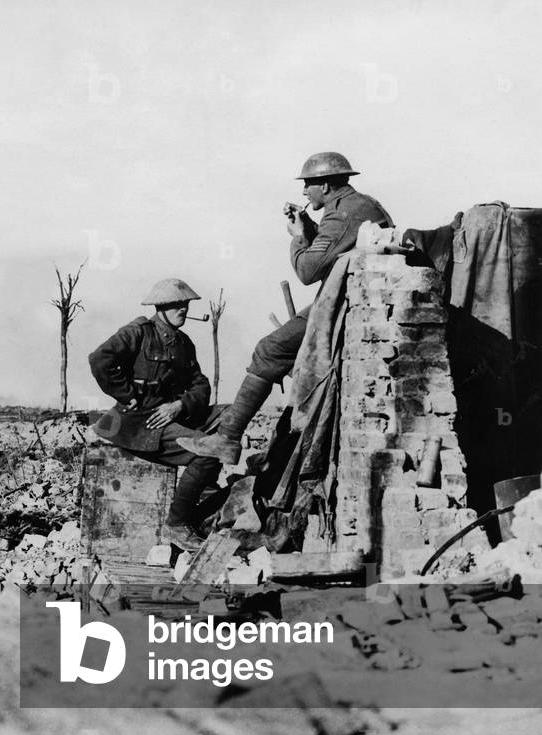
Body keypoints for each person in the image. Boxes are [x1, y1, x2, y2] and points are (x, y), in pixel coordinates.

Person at [178, 151, 393, 464]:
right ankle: (231, 437)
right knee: (276, 353)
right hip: (350, 299)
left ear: (327, 185)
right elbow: (334, 246)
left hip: (347, 307)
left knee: (268, 350)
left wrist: (296, 238)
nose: (305, 191)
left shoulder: (343, 213)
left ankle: (227, 439)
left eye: (309, 184)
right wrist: (306, 222)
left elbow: (308, 271)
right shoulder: (357, 204)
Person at [89, 278, 223, 549]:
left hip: (170, 416)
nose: (182, 309)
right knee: (208, 451)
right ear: (160, 307)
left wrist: (180, 406)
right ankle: (177, 524)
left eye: (185, 303)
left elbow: (201, 385)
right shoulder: (139, 332)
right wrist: (129, 395)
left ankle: (205, 490)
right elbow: (100, 359)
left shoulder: (184, 343)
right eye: (175, 304)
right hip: (138, 423)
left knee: (229, 416)